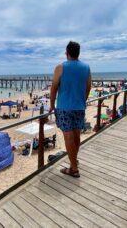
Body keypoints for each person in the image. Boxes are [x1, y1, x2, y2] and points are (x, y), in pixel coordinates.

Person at [50, 41, 91, 178]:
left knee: (68, 137)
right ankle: (74, 161)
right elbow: (88, 87)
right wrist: (82, 100)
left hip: (64, 107)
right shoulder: (86, 67)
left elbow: (54, 88)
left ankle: (73, 168)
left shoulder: (60, 67)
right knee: (76, 136)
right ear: (78, 53)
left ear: (66, 52)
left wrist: (51, 105)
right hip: (79, 106)